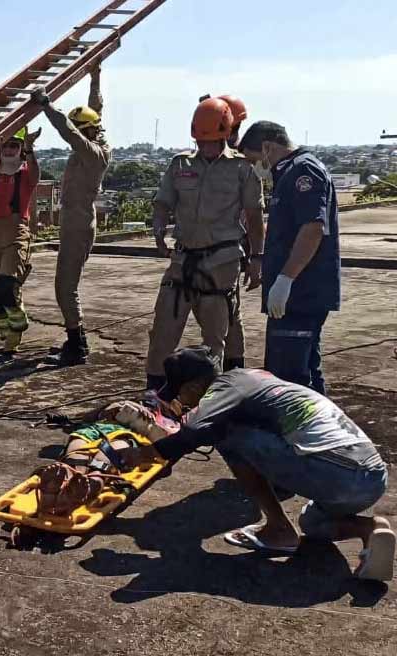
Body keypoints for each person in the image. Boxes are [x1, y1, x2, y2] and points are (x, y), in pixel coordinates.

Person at [120, 346, 393, 581]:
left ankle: (278, 528)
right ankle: (371, 529)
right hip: (371, 476)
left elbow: (195, 431)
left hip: (337, 472)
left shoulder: (223, 390)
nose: (182, 402)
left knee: (225, 434)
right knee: (313, 524)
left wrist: (144, 454)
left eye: (180, 396)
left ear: (192, 387)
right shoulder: (254, 377)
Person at [144, 98, 264, 391]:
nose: (206, 147)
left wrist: (257, 258)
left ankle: (218, 396)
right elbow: (162, 202)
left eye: (212, 142)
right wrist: (158, 231)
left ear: (225, 135)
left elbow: (254, 216)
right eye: (201, 142)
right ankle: (154, 392)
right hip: (183, 260)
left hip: (221, 263)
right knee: (162, 333)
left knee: (214, 339)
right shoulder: (180, 164)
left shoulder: (242, 169)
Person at [237, 121, 340, 395]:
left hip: (301, 293)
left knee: (289, 379)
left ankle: (301, 423)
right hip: (297, 293)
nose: (255, 167)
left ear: (267, 147)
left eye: (253, 159)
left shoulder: (302, 171)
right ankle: (321, 421)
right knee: (304, 372)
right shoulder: (288, 172)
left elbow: (313, 228)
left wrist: (285, 280)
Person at [32, 64, 111, 366]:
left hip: (78, 225)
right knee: (65, 285)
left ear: (87, 131)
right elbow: (94, 109)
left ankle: (77, 345)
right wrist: (95, 78)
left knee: (65, 287)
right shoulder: (94, 136)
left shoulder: (93, 153)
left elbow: (68, 130)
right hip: (75, 221)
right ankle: (75, 340)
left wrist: (46, 105)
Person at [0, 124, 41, 352]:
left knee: (7, 284)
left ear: (21, 149)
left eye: (14, 145)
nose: (9, 149)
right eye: (5, 145)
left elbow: (35, 171)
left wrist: (30, 147)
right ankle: (6, 331)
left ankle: (18, 325)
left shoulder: (26, 175)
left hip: (15, 234)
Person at [200, 94, 251, 371]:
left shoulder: (240, 160)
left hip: (229, 246)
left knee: (224, 310)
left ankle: (230, 369)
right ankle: (234, 367)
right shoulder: (230, 154)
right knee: (228, 310)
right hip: (222, 245)